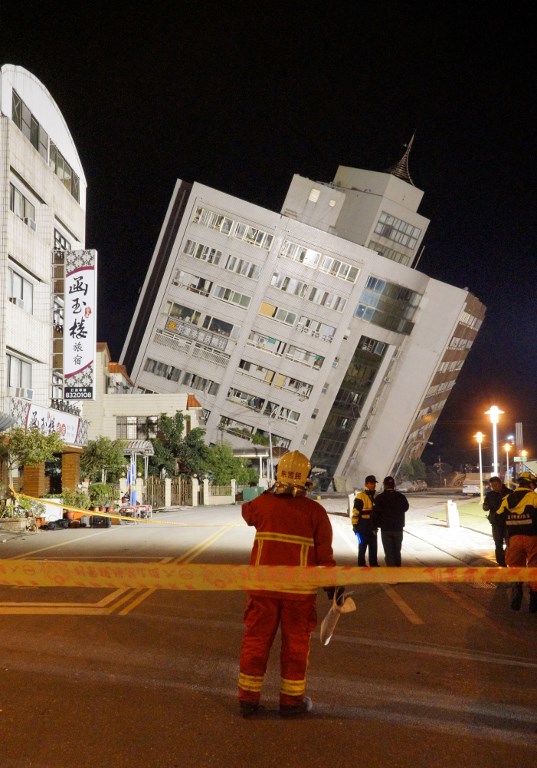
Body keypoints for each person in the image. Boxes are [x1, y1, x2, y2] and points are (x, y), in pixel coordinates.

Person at [237, 451, 338, 718]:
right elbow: (325, 555)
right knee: (296, 647)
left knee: (256, 642)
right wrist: (331, 585)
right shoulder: (316, 512)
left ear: (278, 475)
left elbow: (247, 512)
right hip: (299, 594)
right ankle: (291, 702)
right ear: (307, 479)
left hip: (263, 590)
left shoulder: (264, 505)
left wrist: (271, 491)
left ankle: (248, 700)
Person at [497, 471, 537, 612]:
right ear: (531, 484)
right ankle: (534, 601)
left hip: (514, 539)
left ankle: (517, 588)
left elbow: (498, 518)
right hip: (532, 539)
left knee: (515, 567)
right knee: (534, 569)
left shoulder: (508, 499)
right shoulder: (533, 497)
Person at [372, 476, 409, 567]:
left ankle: (392, 575)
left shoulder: (380, 498)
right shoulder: (401, 497)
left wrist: (374, 527)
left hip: (386, 529)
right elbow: (406, 508)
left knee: (389, 553)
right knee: (397, 552)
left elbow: (375, 513)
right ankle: (398, 572)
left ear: (384, 485)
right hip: (398, 528)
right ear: (394, 485)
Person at [482, 476, 510, 566]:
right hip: (496, 523)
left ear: (500, 484)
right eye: (492, 485)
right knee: (498, 544)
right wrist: (485, 507)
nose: (494, 487)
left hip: (508, 523)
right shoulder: (490, 495)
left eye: (495, 485)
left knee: (510, 543)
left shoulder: (510, 493)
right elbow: (486, 507)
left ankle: (509, 560)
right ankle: (501, 563)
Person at [352, 475, 379, 566]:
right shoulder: (360, 496)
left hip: (373, 527)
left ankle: (374, 565)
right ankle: (361, 565)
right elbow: (355, 512)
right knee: (362, 548)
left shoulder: (376, 496)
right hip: (362, 527)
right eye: (371, 483)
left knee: (373, 548)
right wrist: (355, 525)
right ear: (366, 484)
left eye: (374, 483)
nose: (373, 485)